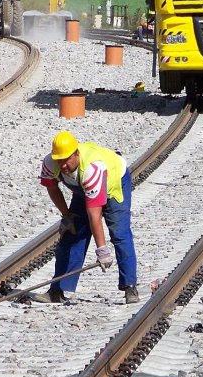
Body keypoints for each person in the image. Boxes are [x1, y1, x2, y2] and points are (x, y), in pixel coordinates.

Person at [37, 130, 139, 304]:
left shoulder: (92, 169)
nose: (62, 165)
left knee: (120, 234)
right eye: (58, 160)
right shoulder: (50, 163)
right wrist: (67, 216)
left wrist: (102, 250)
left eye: (66, 159)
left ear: (76, 154)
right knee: (73, 233)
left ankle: (130, 287)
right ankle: (57, 290)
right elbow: (52, 188)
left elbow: (94, 214)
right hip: (84, 187)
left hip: (114, 182)